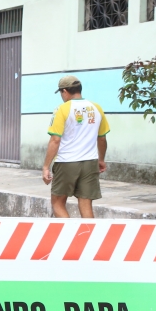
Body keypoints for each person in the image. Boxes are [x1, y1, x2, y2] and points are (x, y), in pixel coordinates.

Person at [41, 75, 109, 218]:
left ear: (65, 91)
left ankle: (69, 231)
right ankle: (89, 232)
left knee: (58, 202)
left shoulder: (62, 109)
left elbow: (55, 140)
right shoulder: (96, 108)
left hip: (67, 162)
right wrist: (101, 159)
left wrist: (46, 166)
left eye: (61, 93)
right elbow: (102, 138)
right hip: (90, 162)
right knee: (86, 203)